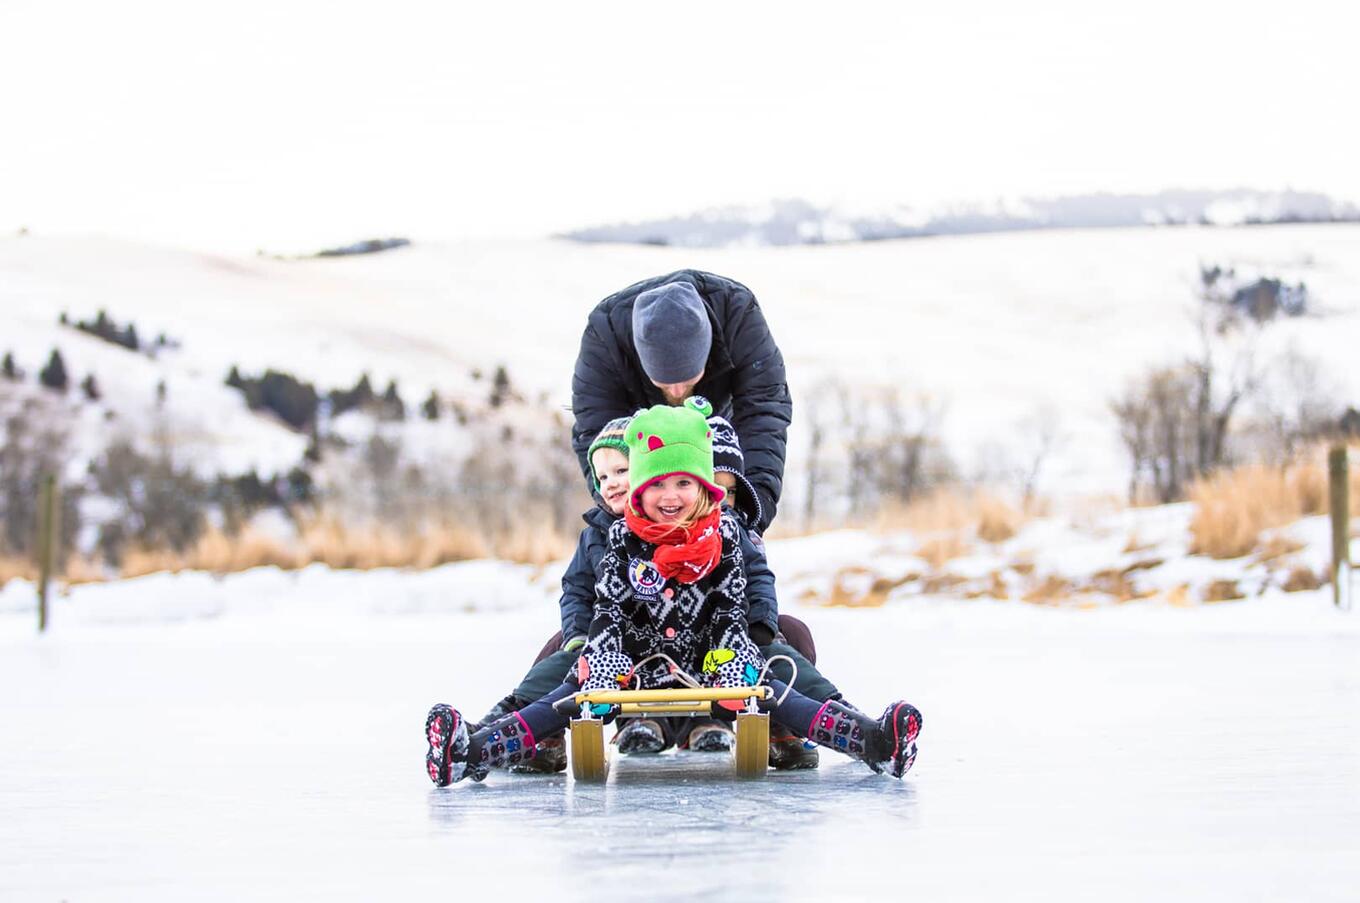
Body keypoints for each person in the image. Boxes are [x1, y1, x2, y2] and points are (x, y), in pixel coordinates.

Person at [424, 398, 921, 786]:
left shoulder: (724, 537)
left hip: (708, 656)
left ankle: (872, 740)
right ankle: (472, 749)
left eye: (684, 482)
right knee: (569, 689)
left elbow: (731, 602)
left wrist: (730, 652)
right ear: (639, 490)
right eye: (658, 484)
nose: (670, 497)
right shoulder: (622, 538)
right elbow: (609, 607)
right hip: (636, 663)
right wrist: (604, 657)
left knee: (770, 683)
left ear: (706, 487)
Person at [478, 413, 840, 771]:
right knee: (562, 651)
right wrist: (582, 637)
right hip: (624, 643)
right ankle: (515, 729)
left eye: (621, 471)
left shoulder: (722, 530)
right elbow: (578, 590)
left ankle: (789, 724)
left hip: (707, 644)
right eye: (604, 476)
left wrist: (755, 625)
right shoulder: (605, 535)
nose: (613, 484)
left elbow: (752, 580)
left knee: (785, 638)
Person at [571, 271, 791, 535]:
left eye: (688, 379)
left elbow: (764, 414)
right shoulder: (605, 335)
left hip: (716, 430)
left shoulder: (738, 315)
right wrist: (625, 518)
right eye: (663, 382)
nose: (677, 393)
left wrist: (750, 511)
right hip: (640, 431)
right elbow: (597, 435)